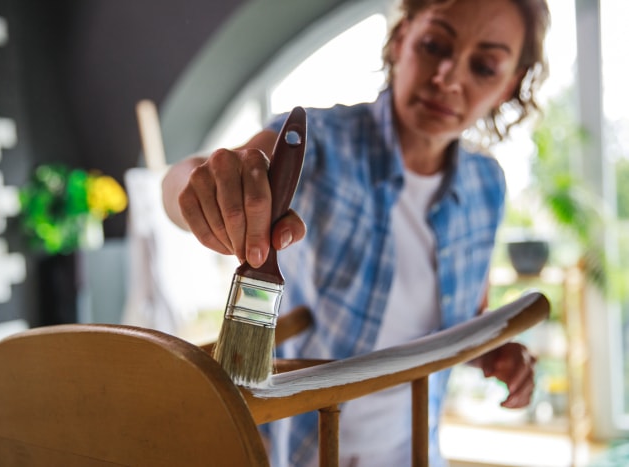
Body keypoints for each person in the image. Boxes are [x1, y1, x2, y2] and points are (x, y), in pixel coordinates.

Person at [162, 0, 551, 465]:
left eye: (485, 66)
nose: (448, 78)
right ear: (402, 37)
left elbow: (459, 320)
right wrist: (197, 186)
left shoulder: (487, 185)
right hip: (304, 451)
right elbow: (191, 180)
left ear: (510, 84)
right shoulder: (318, 143)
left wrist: (491, 354)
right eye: (433, 45)